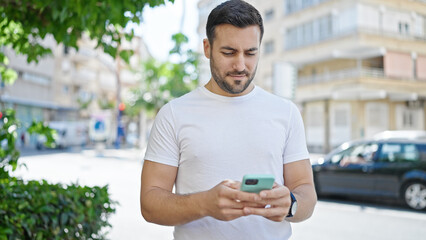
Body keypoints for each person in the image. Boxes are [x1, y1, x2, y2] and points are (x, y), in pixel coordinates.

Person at [140, 0, 317, 239]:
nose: (240, 65)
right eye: (229, 52)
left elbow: (306, 191)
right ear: (207, 48)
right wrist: (204, 204)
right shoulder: (174, 114)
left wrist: (291, 204)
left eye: (250, 53)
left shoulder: (286, 112)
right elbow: (150, 204)